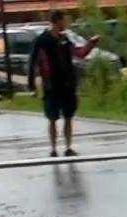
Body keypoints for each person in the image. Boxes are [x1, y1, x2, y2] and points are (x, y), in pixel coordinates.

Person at [28, 12, 80, 157]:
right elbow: (33, 63)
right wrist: (31, 85)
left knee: (68, 116)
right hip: (51, 85)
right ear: (57, 21)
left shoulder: (65, 39)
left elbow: (76, 53)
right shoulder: (42, 40)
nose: (66, 23)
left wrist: (91, 44)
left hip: (67, 84)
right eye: (64, 20)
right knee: (52, 118)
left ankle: (68, 147)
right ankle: (53, 149)